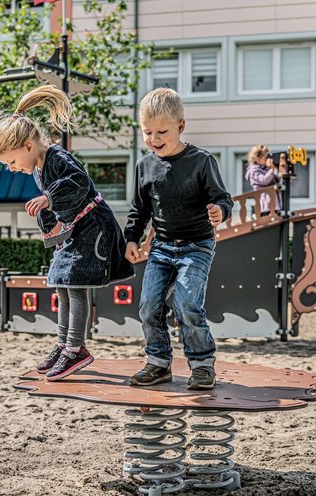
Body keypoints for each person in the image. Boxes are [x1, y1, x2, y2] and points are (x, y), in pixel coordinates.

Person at [0, 84, 135, 382]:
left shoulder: (55, 157)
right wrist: (48, 223)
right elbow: (49, 207)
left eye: (11, 162)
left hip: (94, 227)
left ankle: (76, 348)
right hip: (77, 229)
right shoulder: (39, 168)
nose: (12, 169)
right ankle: (64, 343)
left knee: (75, 285)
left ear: (28, 146)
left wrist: (49, 199)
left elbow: (78, 182)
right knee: (61, 283)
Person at [124, 87, 233, 390]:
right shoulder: (145, 166)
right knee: (148, 306)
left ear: (180, 126)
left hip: (197, 246)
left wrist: (219, 211)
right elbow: (139, 209)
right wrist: (131, 239)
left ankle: (201, 365)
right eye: (147, 132)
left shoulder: (201, 161)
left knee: (186, 304)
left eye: (162, 131)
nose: (154, 139)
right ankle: (158, 363)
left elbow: (224, 198)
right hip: (161, 247)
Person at [245, 144, 283, 215]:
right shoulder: (253, 171)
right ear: (258, 159)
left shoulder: (267, 169)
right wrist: (271, 169)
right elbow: (264, 181)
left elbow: (277, 180)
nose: (268, 159)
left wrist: (275, 169)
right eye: (266, 157)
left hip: (274, 203)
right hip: (264, 205)